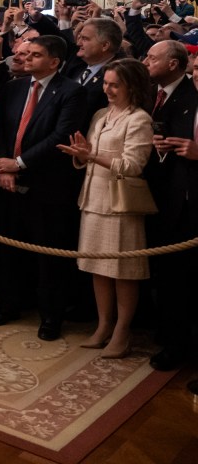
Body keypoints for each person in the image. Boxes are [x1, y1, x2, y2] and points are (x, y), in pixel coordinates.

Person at [0, 35, 87, 341]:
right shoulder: (13, 88)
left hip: (48, 184)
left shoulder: (71, 92)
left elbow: (61, 135)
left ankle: (50, 316)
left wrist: (19, 164)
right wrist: (4, 165)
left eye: (35, 55)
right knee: (9, 248)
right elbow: (1, 129)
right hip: (8, 180)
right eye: (25, 53)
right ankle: (10, 303)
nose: (26, 59)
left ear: (54, 62)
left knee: (48, 254)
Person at [57, 59, 154, 359]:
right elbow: (89, 156)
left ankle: (122, 332)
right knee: (98, 268)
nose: (107, 89)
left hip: (120, 204)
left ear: (132, 87)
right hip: (93, 199)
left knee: (122, 272)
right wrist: (81, 155)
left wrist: (92, 156)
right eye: (106, 83)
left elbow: (132, 166)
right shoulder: (101, 114)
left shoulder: (138, 119)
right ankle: (103, 325)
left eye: (114, 84)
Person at [143, 40, 198, 370]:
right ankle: (170, 336)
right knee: (171, 277)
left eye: (153, 57)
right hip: (170, 198)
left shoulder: (187, 98)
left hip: (190, 202)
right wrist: (163, 148)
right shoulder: (167, 98)